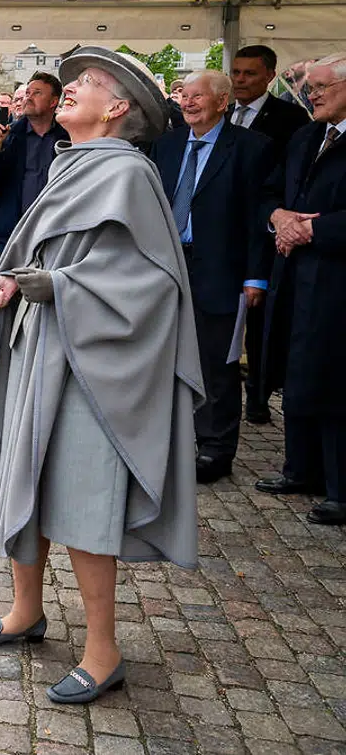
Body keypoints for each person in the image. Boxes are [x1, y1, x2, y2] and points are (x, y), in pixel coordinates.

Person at [0, 46, 198, 705]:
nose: (69, 89)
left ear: (119, 107)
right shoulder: (76, 164)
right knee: (27, 475)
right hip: (47, 341)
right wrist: (20, 281)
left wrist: (46, 284)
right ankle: (24, 612)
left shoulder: (125, 174)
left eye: (88, 83)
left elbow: (150, 282)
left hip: (92, 359)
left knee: (85, 496)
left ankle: (104, 652)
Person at [149, 70, 272, 484]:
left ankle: (216, 448)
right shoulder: (164, 147)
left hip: (221, 268)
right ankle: (174, 440)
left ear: (223, 102)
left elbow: (259, 217)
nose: (187, 102)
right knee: (164, 357)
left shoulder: (252, 149)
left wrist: (256, 276)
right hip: (167, 266)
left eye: (198, 96)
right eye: (184, 95)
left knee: (216, 364)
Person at [256, 52, 346, 525]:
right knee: (297, 370)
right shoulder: (305, 136)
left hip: (336, 280)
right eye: (309, 88)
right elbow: (269, 192)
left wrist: (314, 230)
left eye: (321, 88)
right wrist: (280, 218)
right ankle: (300, 469)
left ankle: (340, 488)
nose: (310, 95)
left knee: (334, 379)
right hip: (293, 276)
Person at [228, 44, 311, 424]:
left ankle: (259, 394)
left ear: (269, 76)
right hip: (225, 227)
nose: (240, 80)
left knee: (260, 317)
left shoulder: (291, 119)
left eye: (248, 74)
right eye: (236, 72)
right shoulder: (222, 110)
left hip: (266, 228)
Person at [0, 71, 69, 255]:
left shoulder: (68, 138)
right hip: (13, 232)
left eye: (37, 93)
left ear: (54, 102)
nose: (28, 98)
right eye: (27, 93)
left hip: (54, 231)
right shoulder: (9, 136)